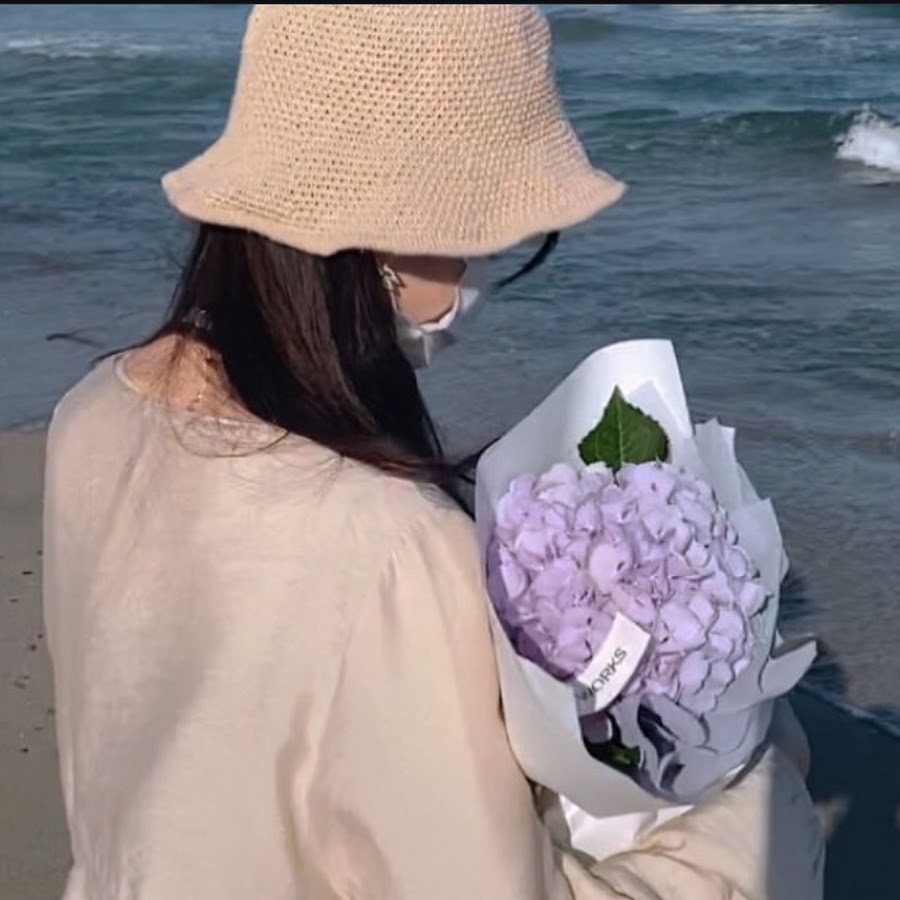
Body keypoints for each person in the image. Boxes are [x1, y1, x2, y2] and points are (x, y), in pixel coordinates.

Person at [43, 5, 823, 899]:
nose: (484, 267)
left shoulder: (94, 414)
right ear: (386, 241)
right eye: (483, 235)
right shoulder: (390, 547)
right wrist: (755, 795)